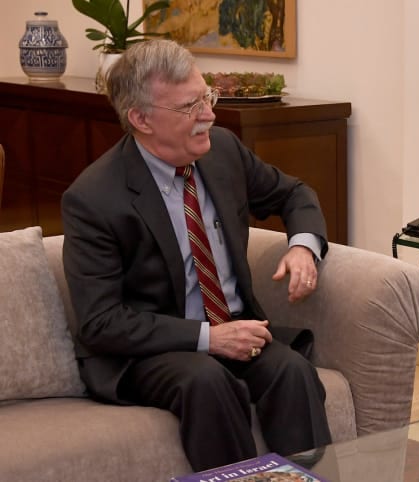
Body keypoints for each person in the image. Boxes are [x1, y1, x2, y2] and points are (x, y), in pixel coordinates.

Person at [61, 39, 331, 471]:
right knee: (206, 380)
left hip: (235, 330)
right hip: (151, 351)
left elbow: (295, 193)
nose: (209, 114)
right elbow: (101, 322)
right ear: (140, 119)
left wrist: (302, 247)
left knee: (292, 370)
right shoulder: (94, 198)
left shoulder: (223, 151)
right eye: (190, 107)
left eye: (207, 97)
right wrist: (210, 338)